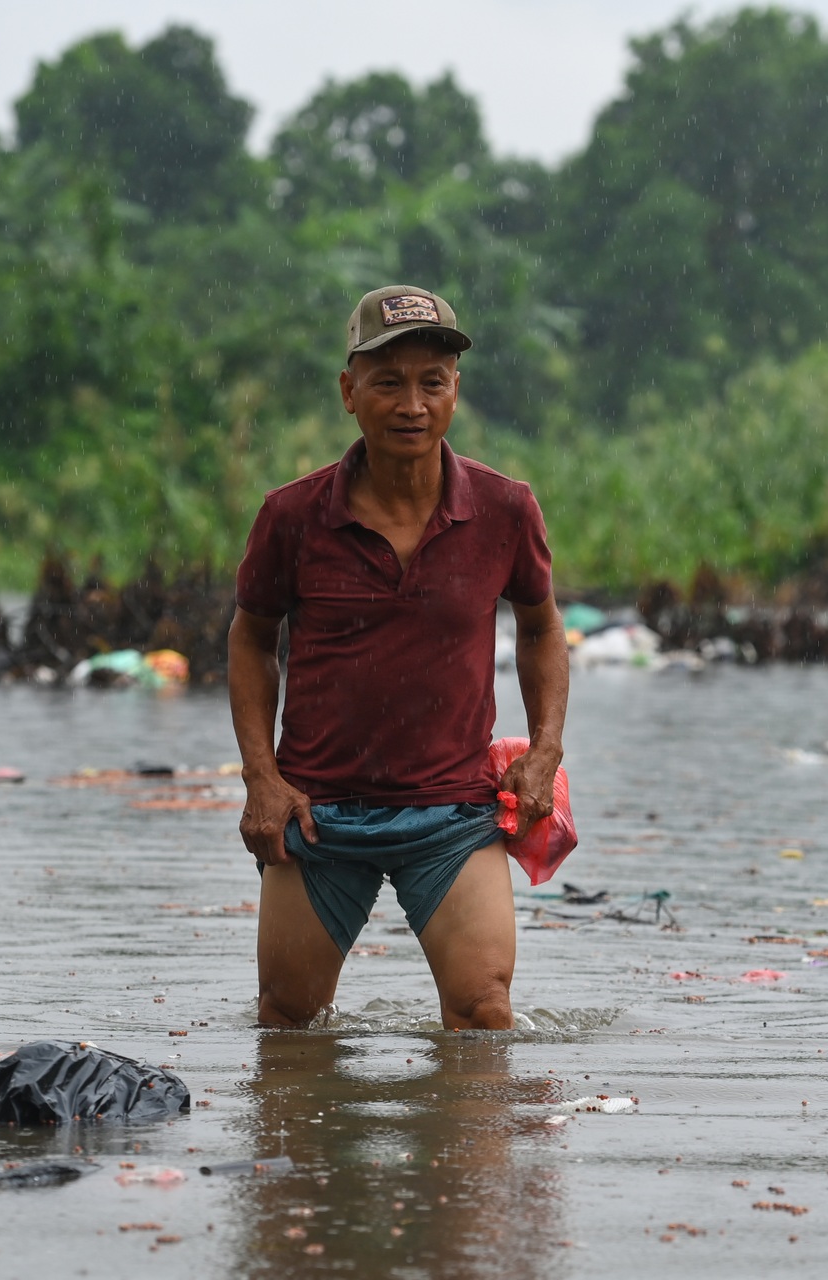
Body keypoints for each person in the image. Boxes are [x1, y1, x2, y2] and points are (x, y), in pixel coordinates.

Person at [229, 285, 569, 1032]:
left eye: (431, 382)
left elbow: (541, 628)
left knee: (483, 1016)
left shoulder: (506, 509)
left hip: (452, 811)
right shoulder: (292, 517)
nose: (411, 404)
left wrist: (545, 749)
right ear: (350, 393)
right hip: (318, 813)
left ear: (456, 393)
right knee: (287, 1025)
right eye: (387, 382)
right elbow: (252, 639)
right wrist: (262, 779)